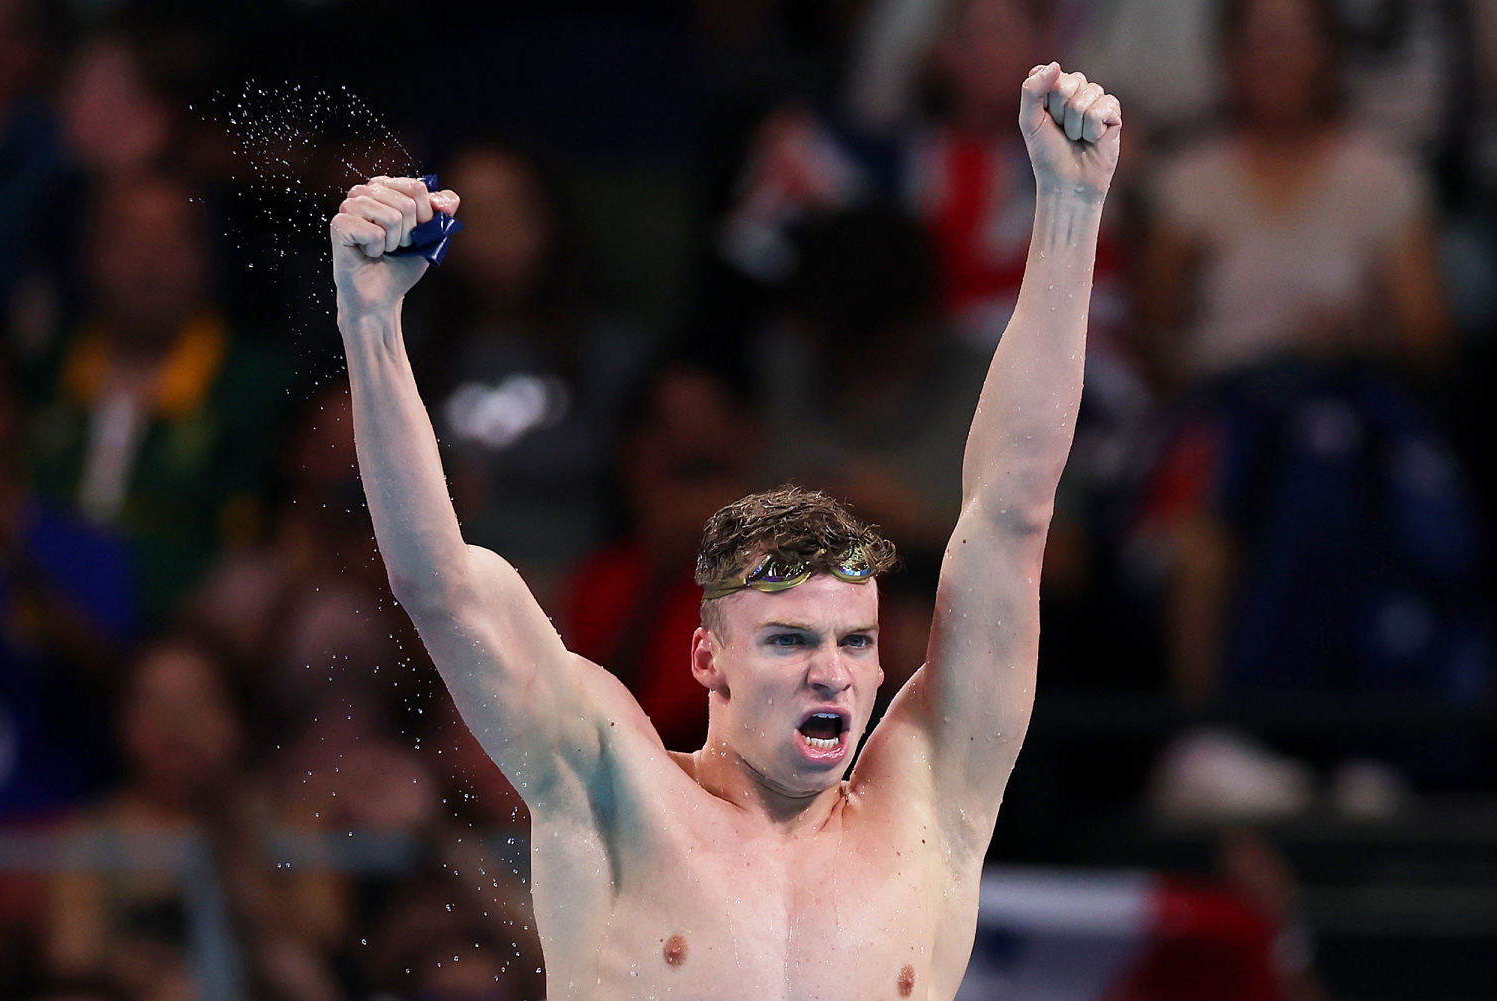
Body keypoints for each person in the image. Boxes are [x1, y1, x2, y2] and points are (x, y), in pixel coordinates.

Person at [329, 62, 1119, 998]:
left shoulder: (931, 801)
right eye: (789, 639)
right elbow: (440, 583)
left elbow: (1012, 515)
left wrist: (1070, 211)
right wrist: (372, 321)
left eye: (853, 641)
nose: (831, 668)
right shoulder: (611, 787)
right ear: (709, 656)